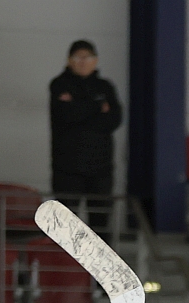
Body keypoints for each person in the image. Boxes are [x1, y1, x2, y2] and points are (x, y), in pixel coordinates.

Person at [48, 40, 123, 211]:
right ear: (69, 60)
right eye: (78, 57)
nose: (82, 62)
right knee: (66, 224)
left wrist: (78, 108)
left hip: (100, 169)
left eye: (87, 57)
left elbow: (114, 119)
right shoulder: (59, 84)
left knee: (100, 223)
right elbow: (66, 115)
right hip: (66, 169)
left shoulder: (105, 87)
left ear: (95, 60)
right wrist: (97, 107)